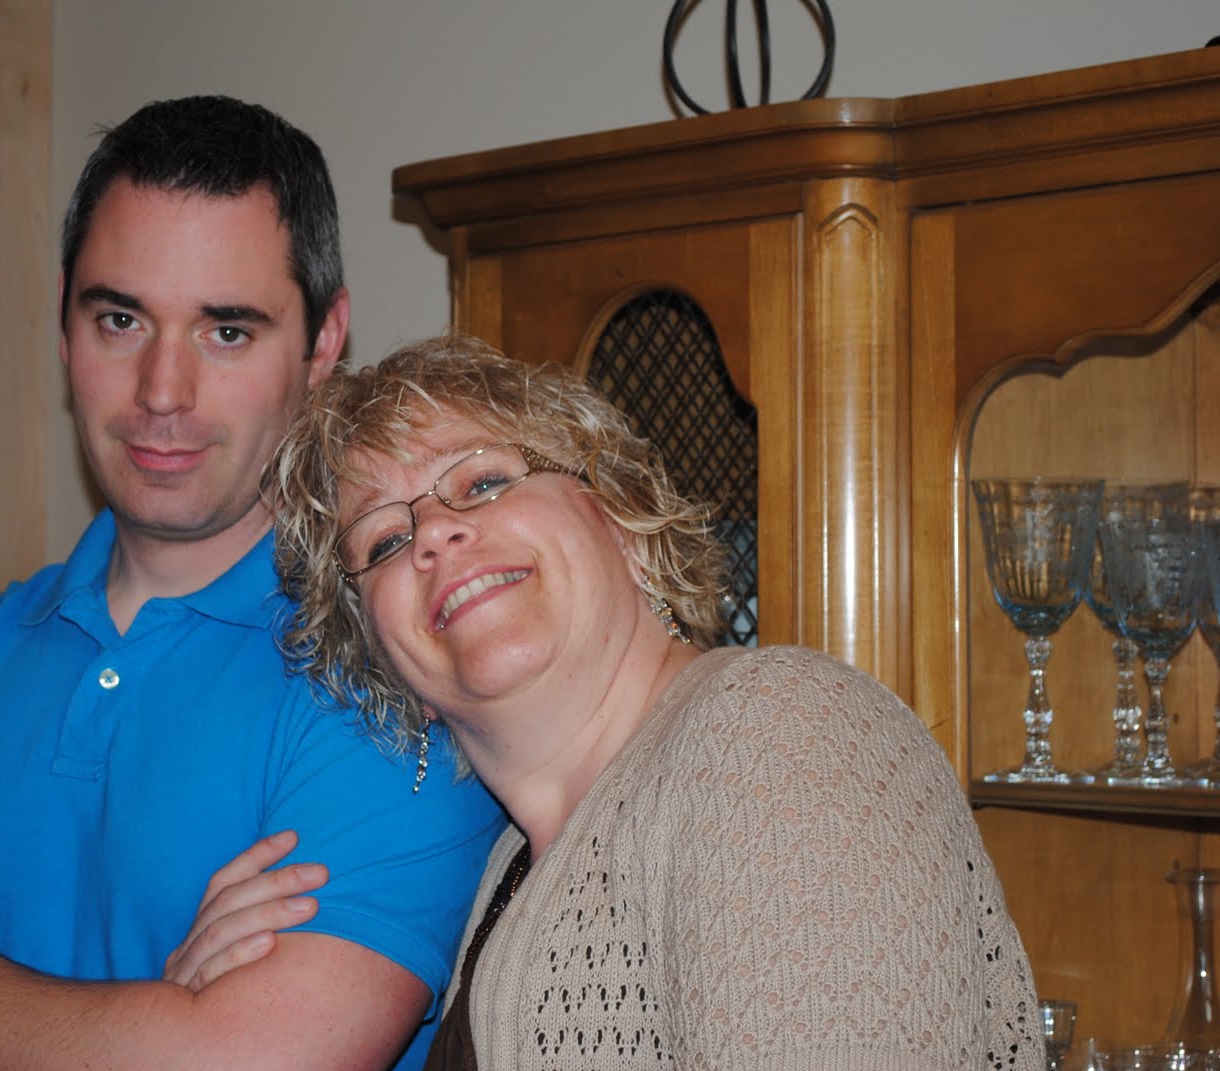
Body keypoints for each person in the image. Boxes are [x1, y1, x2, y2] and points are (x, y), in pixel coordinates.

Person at [0, 98, 504, 1071]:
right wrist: (144, 1027)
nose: (161, 392)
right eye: (120, 319)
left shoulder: (396, 676)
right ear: (65, 321)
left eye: (227, 332)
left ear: (321, 344)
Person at [250, 334, 1044, 1069]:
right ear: (388, 664)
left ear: (623, 520)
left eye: (482, 481)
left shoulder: (779, 730)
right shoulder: (509, 871)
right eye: (385, 540)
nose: (433, 533)